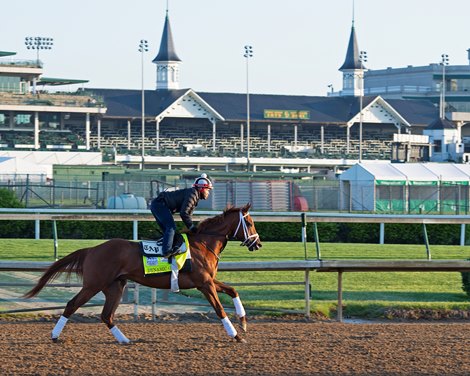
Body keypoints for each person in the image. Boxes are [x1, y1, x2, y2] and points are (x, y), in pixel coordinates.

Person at [150, 173, 213, 257]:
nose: (208, 192)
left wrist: (192, 228)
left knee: (170, 231)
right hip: (160, 204)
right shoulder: (193, 194)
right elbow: (184, 213)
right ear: (201, 188)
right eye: (207, 189)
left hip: (158, 204)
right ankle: (166, 252)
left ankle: (165, 249)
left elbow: (188, 215)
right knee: (171, 228)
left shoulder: (194, 195)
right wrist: (192, 227)